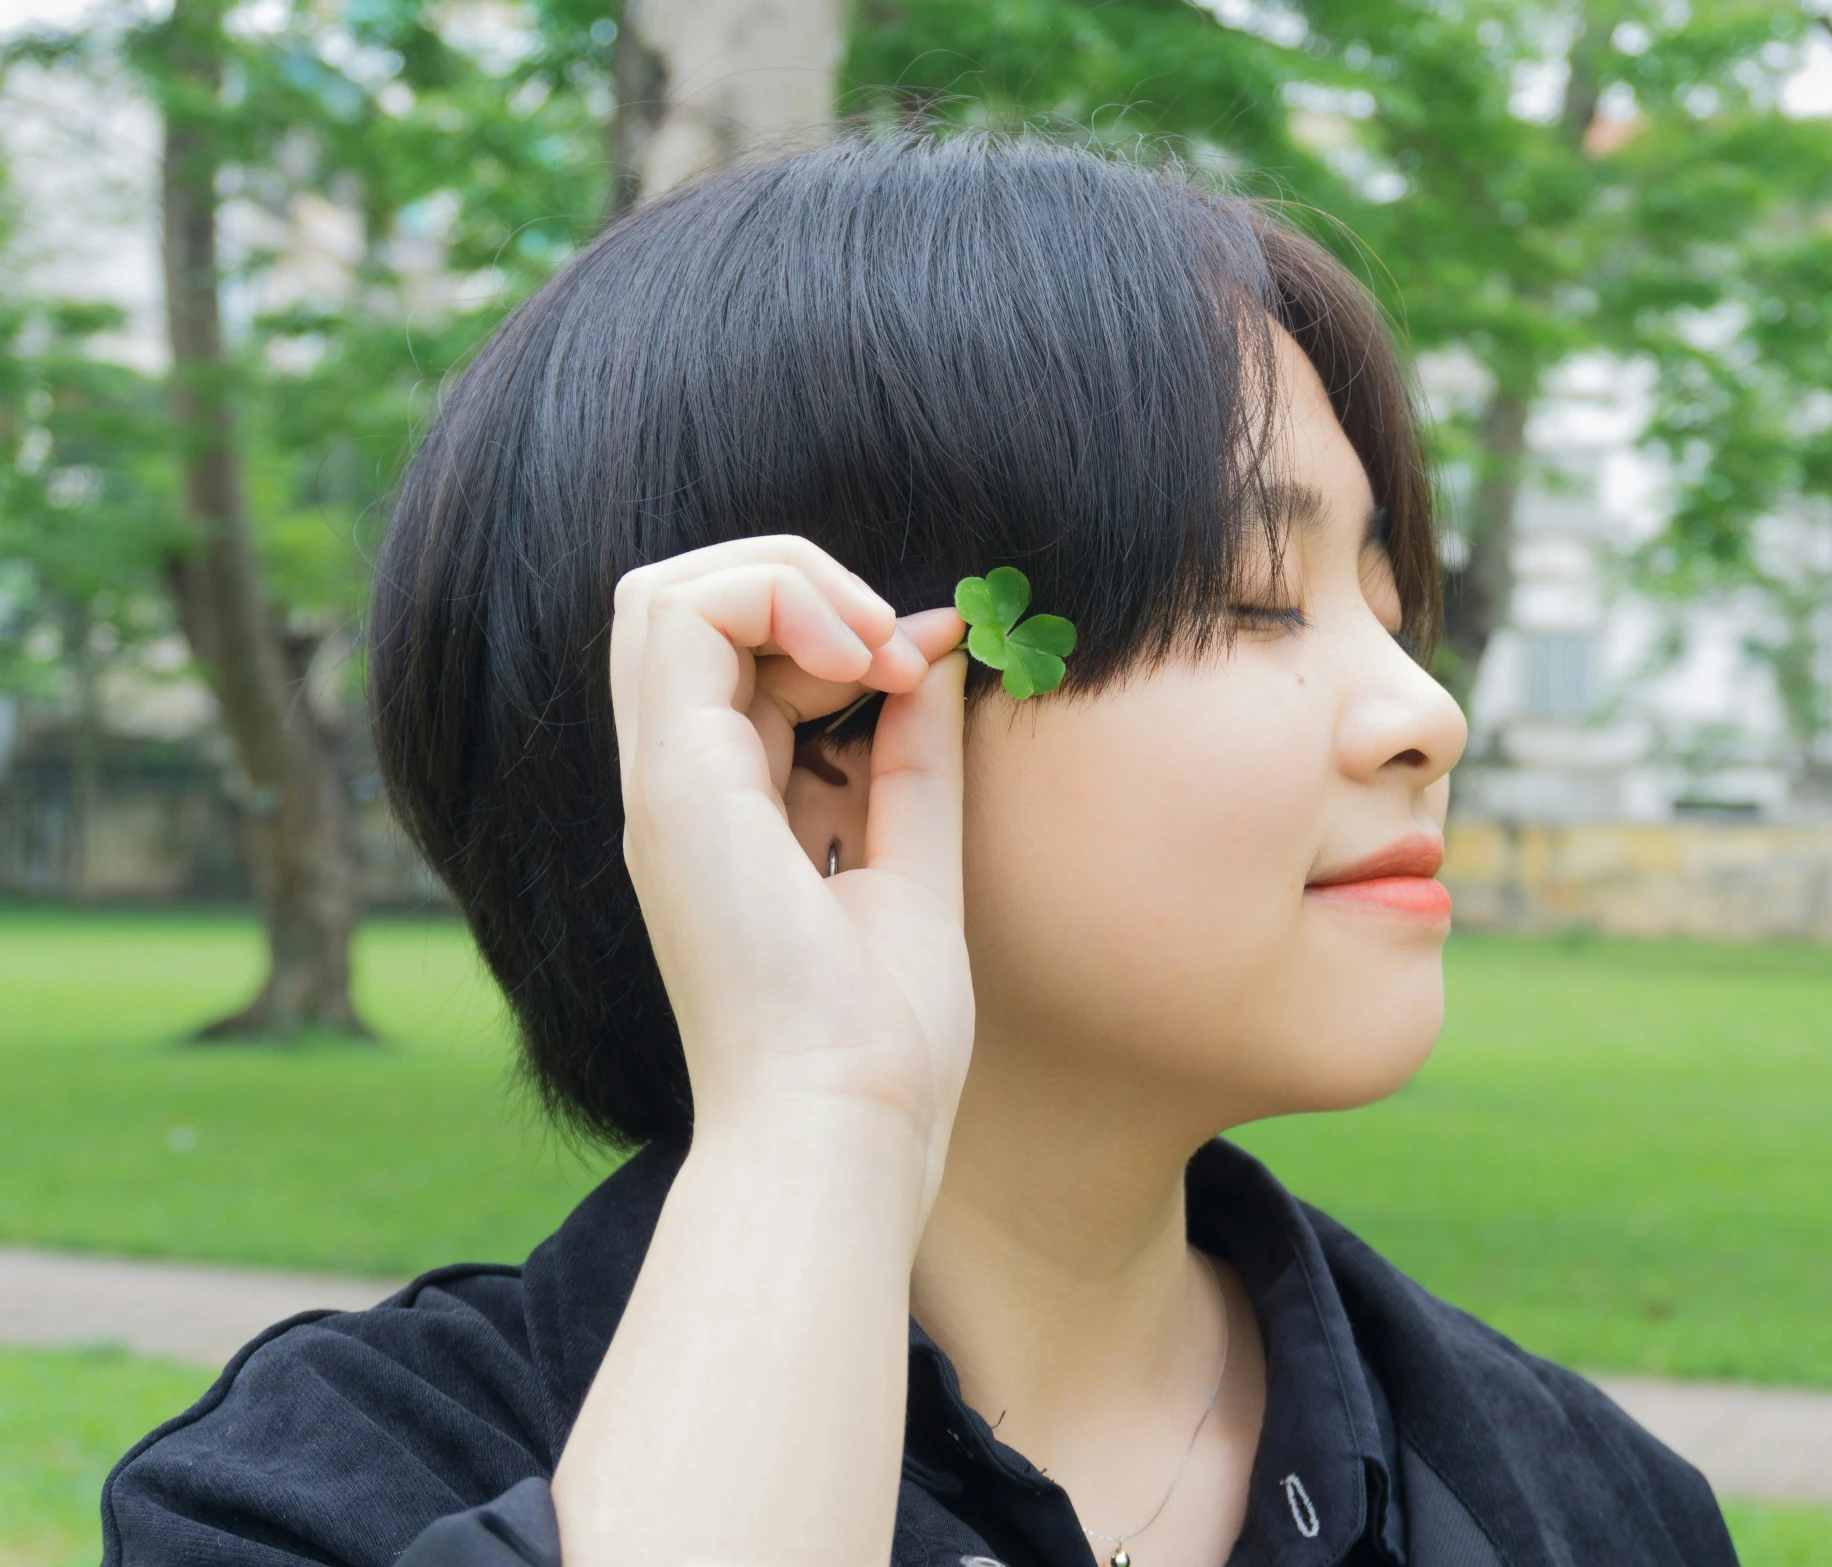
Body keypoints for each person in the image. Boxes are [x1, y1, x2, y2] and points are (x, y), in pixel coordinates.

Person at [100, 134, 1738, 1567]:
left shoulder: (1580, 1500)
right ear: (812, 722)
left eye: (1383, 607)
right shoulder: (314, 1501)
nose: (1420, 713)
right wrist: (825, 1106)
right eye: (1253, 597)